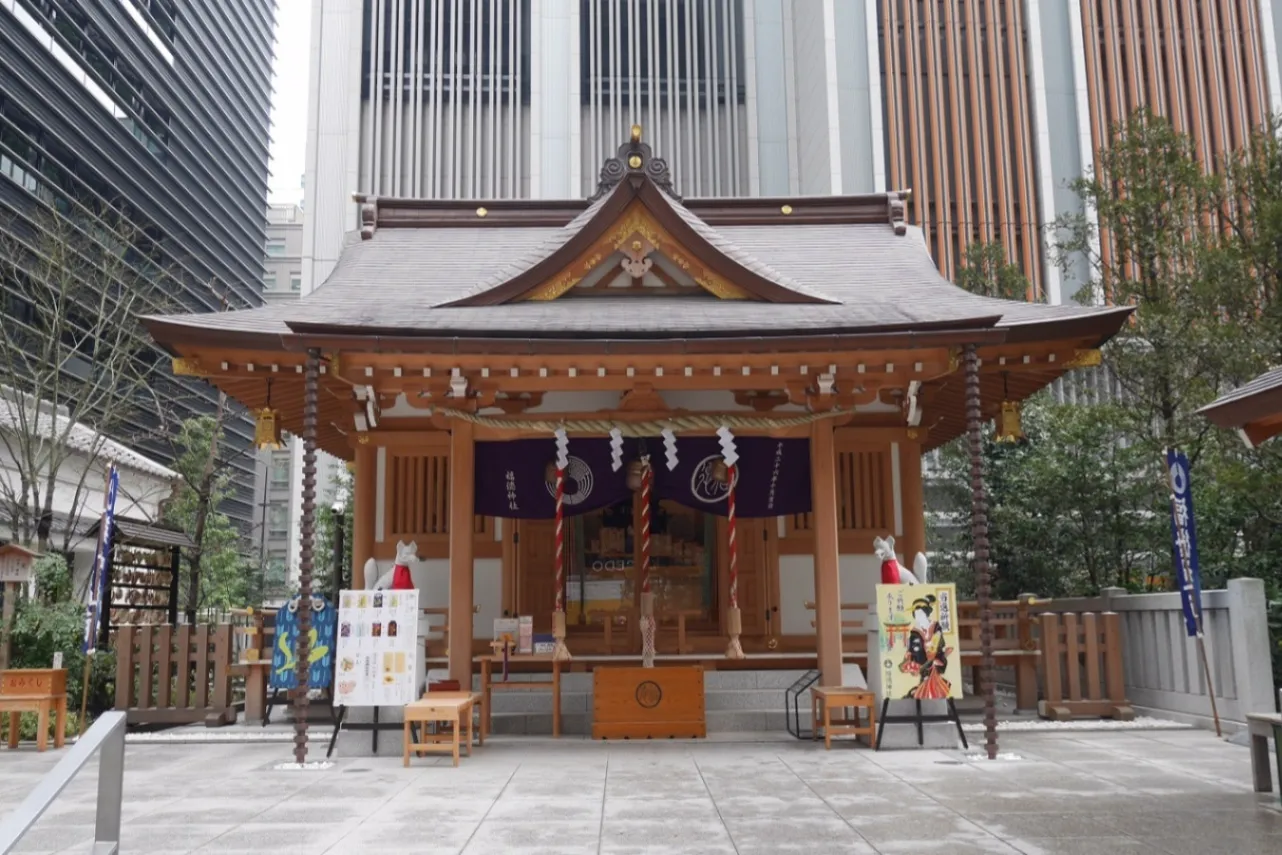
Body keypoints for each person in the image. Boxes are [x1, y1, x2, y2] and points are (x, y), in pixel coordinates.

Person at [898, 595, 953, 699]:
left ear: (926, 613)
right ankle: (921, 693)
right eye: (916, 614)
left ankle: (922, 693)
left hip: (935, 657)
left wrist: (934, 648)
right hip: (922, 659)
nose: (918, 617)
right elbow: (914, 648)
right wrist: (910, 656)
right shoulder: (915, 631)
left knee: (931, 677)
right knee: (926, 676)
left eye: (920, 613)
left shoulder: (935, 626)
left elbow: (939, 641)